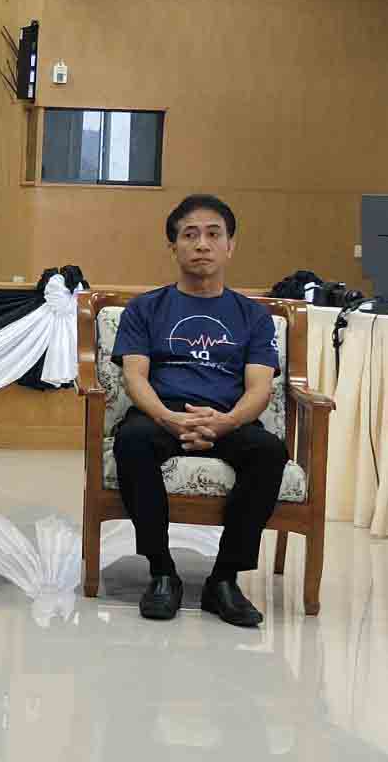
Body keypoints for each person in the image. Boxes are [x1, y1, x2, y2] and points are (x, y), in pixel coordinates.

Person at [111, 194, 284, 627]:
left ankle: (224, 580)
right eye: (190, 235)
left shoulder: (253, 316)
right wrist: (168, 418)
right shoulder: (145, 309)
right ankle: (162, 572)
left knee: (268, 452)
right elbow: (135, 377)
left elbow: (260, 387)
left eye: (213, 234)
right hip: (162, 414)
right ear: (174, 247)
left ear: (230, 245)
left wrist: (228, 422)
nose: (202, 244)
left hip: (228, 416)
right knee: (132, 440)